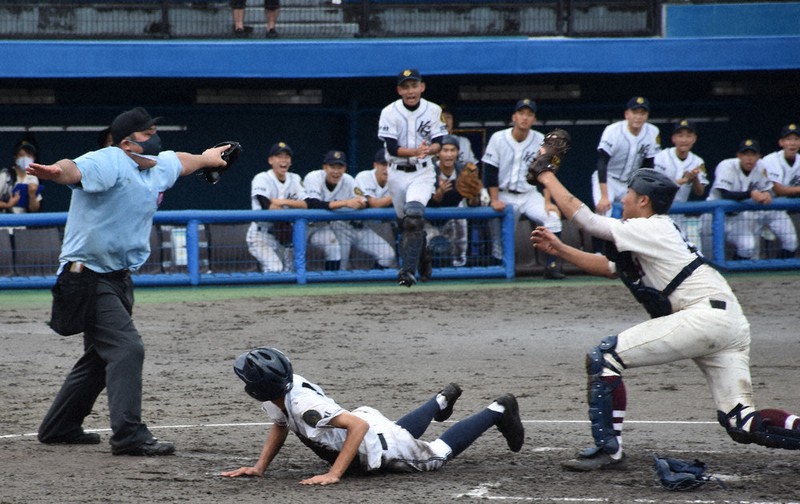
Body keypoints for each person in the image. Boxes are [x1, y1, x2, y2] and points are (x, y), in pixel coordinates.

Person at [530, 160, 800, 472]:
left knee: (605, 357)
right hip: (727, 321)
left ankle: (609, 450)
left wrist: (547, 176)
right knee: (742, 421)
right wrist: (561, 250)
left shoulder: (651, 226)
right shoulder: (650, 233)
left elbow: (588, 221)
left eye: (628, 194)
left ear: (643, 200)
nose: (623, 199)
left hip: (704, 316)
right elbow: (608, 268)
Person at [28, 106, 229, 456]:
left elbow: (181, 160)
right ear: (127, 142)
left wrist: (208, 158)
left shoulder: (157, 167)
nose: (154, 136)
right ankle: (128, 435)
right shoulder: (111, 160)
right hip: (85, 276)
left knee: (100, 355)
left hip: (118, 278)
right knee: (126, 349)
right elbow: (74, 169)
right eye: (147, 132)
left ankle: (59, 426)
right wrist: (56, 171)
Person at [221, 347, 525, 484]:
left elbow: (358, 426)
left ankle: (498, 409)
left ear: (259, 388)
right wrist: (260, 467)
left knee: (435, 456)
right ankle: (440, 401)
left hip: (369, 441)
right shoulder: (282, 391)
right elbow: (280, 424)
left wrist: (334, 474)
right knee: (398, 433)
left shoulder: (303, 406)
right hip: (365, 428)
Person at [378, 68, 448, 286]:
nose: (411, 91)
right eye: (406, 86)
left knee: (414, 216)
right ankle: (423, 254)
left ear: (422, 87)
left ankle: (407, 272)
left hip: (422, 172)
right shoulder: (389, 111)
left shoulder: (433, 110)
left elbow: (440, 142)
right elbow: (391, 147)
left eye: (414, 85)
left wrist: (430, 150)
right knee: (405, 223)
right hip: (397, 173)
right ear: (399, 90)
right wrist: (414, 152)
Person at [482, 99, 565, 279]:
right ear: (514, 117)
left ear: (534, 119)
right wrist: (494, 199)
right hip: (505, 194)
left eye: (529, 114)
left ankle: (552, 266)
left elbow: (548, 174)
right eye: (521, 113)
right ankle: (498, 268)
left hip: (529, 195)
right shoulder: (498, 138)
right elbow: (490, 171)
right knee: (499, 238)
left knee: (552, 218)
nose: (525, 118)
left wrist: (548, 202)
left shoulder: (541, 141)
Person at [304, 150, 395, 271]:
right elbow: (313, 204)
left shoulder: (348, 180)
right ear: (325, 167)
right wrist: (346, 203)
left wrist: (360, 204)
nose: (336, 171)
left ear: (345, 168)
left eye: (340, 167)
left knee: (388, 255)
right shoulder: (314, 177)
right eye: (332, 166)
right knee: (288, 263)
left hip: (351, 227)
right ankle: (330, 285)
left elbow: (365, 202)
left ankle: (372, 285)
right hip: (307, 227)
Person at [705, 139, 797, 260]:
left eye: (753, 154)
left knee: (748, 247)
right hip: (713, 217)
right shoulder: (726, 165)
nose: (749, 158)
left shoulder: (760, 167)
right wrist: (751, 194)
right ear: (738, 155)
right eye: (745, 154)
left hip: (738, 218)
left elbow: (766, 189)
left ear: (759, 156)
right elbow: (725, 194)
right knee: (707, 256)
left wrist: (767, 193)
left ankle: (737, 276)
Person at [593, 96, 661, 217]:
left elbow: (649, 166)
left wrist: (644, 191)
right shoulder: (612, 130)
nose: (638, 117)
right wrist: (604, 196)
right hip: (609, 179)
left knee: (635, 216)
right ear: (627, 114)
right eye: (635, 112)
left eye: (642, 113)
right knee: (604, 212)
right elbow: (602, 162)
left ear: (647, 116)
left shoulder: (652, 132)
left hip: (631, 183)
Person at [247, 141, 308, 273]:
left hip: (282, 236)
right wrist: (289, 213)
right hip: (260, 234)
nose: (283, 160)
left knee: (289, 272)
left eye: (287, 157)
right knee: (275, 268)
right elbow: (266, 205)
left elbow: (306, 204)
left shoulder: (295, 179)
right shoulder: (262, 178)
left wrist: (281, 202)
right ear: (270, 160)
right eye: (279, 157)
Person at [426, 135, 472, 268]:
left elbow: (473, 202)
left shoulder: (464, 171)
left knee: (461, 219)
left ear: (457, 153)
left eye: (452, 150)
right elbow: (428, 203)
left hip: (451, 216)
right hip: (429, 217)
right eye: (445, 150)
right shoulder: (429, 170)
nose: (449, 154)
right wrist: (439, 193)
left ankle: (459, 264)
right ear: (438, 153)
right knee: (428, 245)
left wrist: (474, 195)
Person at [652, 120, 708, 229]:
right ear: (674, 139)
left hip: (679, 214)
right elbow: (656, 185)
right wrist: (683, 180)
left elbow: (700, 192)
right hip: (659, 211)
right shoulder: (661, 157)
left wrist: (695, 179)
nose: (684, 140)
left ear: (694, 139)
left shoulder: (698, 162)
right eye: (680, 136)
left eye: (688, 136)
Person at [1, 138, 43, 214]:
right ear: (15, 158)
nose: (25, 159)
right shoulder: (5, 175)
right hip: (4, 222)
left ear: (33, 158)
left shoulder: (33, 177)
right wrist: (7, 205)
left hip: (22, 222)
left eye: (29, 155)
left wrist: (32, 195)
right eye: (21, 155)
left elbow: (34, 209)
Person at [763, 123, 800, 198]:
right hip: (764, 207)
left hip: (789, 207)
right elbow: (778, 190)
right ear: (781, 142)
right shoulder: (770, 160)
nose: (792, 143)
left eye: (796, 139)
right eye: (788, 139)